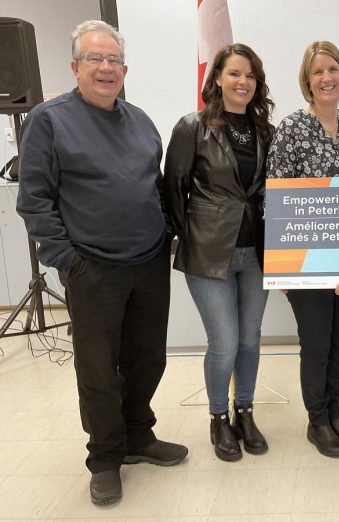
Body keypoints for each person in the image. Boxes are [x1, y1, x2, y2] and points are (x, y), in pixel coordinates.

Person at [16, 20, 188, 506]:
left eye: (114, 60)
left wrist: (167, 235)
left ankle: (138, 435)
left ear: (125, 69)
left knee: (147, 358)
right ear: (76, 67)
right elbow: (34, 200)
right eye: (95, 59)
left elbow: (153, 186)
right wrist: (66, 260)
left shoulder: (139, 120)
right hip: (92, 268)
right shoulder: (48, 121)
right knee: (97, 369)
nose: (106, 67)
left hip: (149, 261)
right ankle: (106, 458)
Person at [164, 44, 273, 462]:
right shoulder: (192, 126)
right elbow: (173, 187)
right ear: (218, 79)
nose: (242, 82)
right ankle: (218, 418)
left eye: (250, 75)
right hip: (209, 253)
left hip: (257, 253)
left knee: (250, 339)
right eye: (233, 74)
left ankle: (245, 412)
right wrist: (185, 237)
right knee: (224, 341)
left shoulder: (266, 130)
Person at [267, 41, 339, 459]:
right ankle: (317, 420)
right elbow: (274, 198)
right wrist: (286, 270)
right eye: (318, 71)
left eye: (334, 69)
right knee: (317, 344)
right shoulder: (290, 127)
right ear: (307, 80)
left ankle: (336, 412)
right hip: (306, 263)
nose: (327, 78)